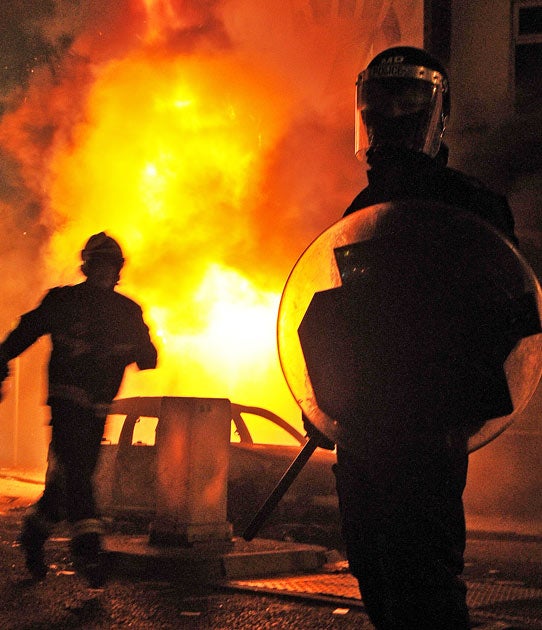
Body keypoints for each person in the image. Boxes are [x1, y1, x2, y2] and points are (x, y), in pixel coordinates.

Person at [306, 47, 518, 629]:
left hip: (426, 427)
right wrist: (323, 399)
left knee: (424, 581)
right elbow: (336, 319)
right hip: (364, 427)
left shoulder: (471, 206)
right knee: (377, 575)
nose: (391, 118)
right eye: (379, 106)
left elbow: (507, 314)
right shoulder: (364, 210)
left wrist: (453, 398)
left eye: (407, 104)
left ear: (435, 114)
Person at [0, 232, 157, 586]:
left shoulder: (127, 312)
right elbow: (27, 330)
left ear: (117, 270)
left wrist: (128, 349)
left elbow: (150, 358)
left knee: (65, 484)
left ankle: (33, 536)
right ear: (87, 266)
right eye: (99, 264)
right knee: (80, 476)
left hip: (97, 412)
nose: (105, 271)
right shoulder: (64, 301)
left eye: (110, 265)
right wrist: (2, 357)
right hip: (68, 406)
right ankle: (88, 551)